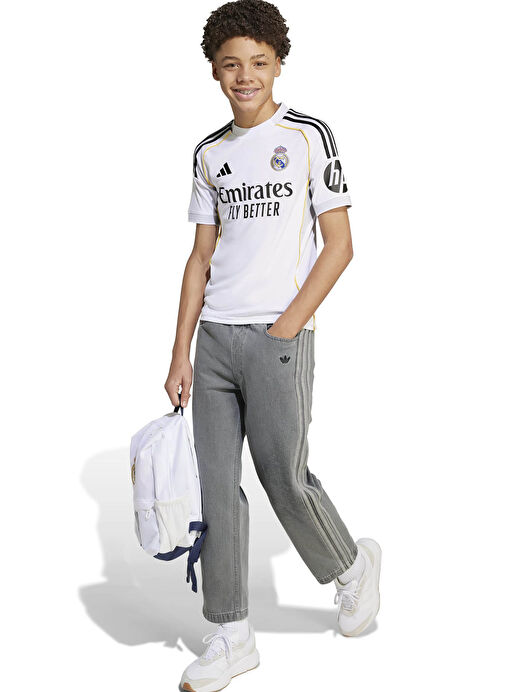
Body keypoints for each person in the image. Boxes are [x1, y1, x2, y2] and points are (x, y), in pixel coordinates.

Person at [164, 1, 382, 689]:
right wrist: (180, 352)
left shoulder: (309, 135)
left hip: (277, 335)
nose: (245, 76)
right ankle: (231, 634)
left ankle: (350, 567)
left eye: (258, 62)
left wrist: (288, 325)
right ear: (214, 71)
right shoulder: (209, 153)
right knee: (215, 486)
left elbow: (339, 245)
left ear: (278, 65)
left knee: (282, 475)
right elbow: (200, 258)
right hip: (214, 341)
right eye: (231, 65)